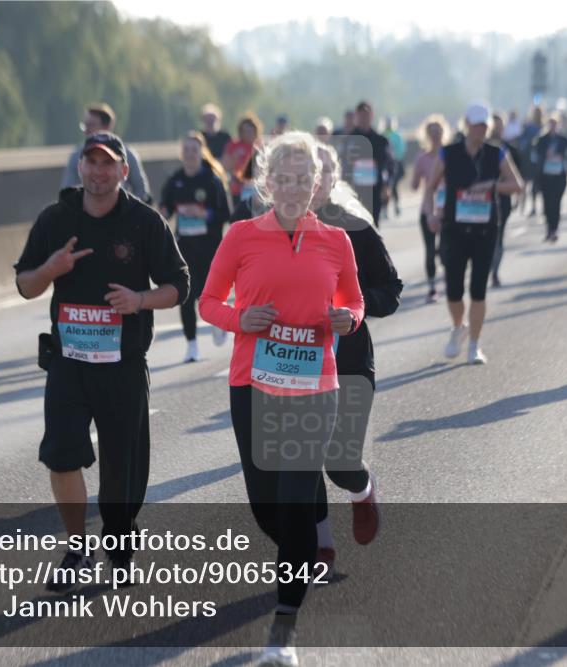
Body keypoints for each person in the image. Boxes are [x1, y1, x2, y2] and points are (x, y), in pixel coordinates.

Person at [198, 132, 364, 666]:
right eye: (283, 178)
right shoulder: (242, 236)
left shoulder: (337, 242)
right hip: (252, 386)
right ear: (268, 184)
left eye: (303, 179)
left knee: (292, 504)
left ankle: (282, 631)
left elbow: (354, 302)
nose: (293, 187)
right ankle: (300, 547)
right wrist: (238, 318)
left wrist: (348, 318)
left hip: (314, 389)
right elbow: (207, 301)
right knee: (266, 506)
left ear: (316, 184)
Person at [15, 132, 189, 588]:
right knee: (61, 455)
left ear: (123, 171)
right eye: (90, 162)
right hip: (68, 363)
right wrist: (51, 269)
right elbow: (24, 284)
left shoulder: (144, 222)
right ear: (80, 168)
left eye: (108, 163)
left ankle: (118, 539)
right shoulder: (56, 219)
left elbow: (178, 286)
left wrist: (140, 299)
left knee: (122, 469)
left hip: (123, 365)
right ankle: (77, 549)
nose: (98, 171)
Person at [311, 142, 402, 577]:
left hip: (348, 359)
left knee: (340, 462)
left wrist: (355, 310)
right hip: (294, 362)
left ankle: (361, 490)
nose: (314, 179)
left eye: (323, 170)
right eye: (305, 170)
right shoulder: (272, 231)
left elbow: (391, 288)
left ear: (335, 177)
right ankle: (321, 549)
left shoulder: (356, 228)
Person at [424, 104, 524, 365]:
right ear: (466, 124)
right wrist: (431, 215)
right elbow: (429, 189)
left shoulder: (497, 153)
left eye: (484, 125)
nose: (480, 129)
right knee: (454, 290)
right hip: (454, 230)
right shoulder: (448, 153)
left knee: (478, 290)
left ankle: (475, 346)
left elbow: (517, 185)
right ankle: (458, 327)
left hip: (485, 229)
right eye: (476, 124)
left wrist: (493, 185)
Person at [160, 132, 231, 362]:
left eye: (194, 150)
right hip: (184, 248)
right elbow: (166, 209)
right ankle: (191, 345)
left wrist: (204, 213)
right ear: (182, 154)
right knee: (187, 295)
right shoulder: (175, 181)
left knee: (207, 294)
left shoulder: (211, 180)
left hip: (209, 247)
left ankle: (218, 323)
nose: (190, 154)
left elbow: (225, 214)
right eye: (186, 150)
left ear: (201, 153)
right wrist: (162, 213)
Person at [61, 103, 150, 203]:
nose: (86, 130)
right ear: (80, 167)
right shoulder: (76, 156)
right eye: (91, 162)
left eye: (91, 125)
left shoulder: (128, 155)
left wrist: (129, 212)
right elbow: (67, 191)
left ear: (107, 127)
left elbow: (141, 190)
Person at [411, 114, 449, 302]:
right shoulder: (422, 157)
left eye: (438, 132)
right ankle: (432, 287)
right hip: (428, 209)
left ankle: (449, 276)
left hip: (448, 210)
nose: (435, 136)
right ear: (426, 135)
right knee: (429, 249)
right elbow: (414, 184)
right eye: (431, 132)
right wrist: (416, 179)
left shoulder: (450, 155)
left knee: (445, 249)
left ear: (443, 133)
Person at [489, 113, 523, 287]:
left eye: (499, 126)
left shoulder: (509, 149)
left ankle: (494, 272)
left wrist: (518, 197)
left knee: (499, 236)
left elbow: (518, 176)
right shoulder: (478, 147)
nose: (496, 129)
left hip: (503, 198)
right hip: (482, 199)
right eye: (493, 126)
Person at [349, 100, 392, 227]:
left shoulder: (381, 141)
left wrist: (387, 185)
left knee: (373, 226)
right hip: (353, 191)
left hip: (375, 191)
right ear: (356, 115)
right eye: (361, 114)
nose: (364, 118)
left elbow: (388, 165)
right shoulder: (348, 140)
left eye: (366, 114)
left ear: (372, 115)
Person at [532, 114, 567, 242]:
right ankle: (549, 229)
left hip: (559, 177)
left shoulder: (563, 140)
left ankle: (554, 229)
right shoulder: (541, 140)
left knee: (556, 203)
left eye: (555, 124)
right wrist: (545, 155)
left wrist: (561, 156)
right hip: (545, 177)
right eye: (550, 124)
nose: (553, 127)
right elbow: (535, 156)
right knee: (547, 204)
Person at [222, 113, 263, 209]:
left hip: (256, 190)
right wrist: (234, 158)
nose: (248, 134)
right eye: (245, 131)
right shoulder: (234, 145)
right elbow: (224, 166)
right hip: (237, 189)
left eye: (250, 130)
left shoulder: (261, 147)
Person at [383, 115, 406, 219]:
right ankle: (385, 209)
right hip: (386, 165)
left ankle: (396, 205)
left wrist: (396, 158)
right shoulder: (383, 135)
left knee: (394, 185)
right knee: (386, 186)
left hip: (395, 163)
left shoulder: (397, 135)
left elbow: (401, 149)